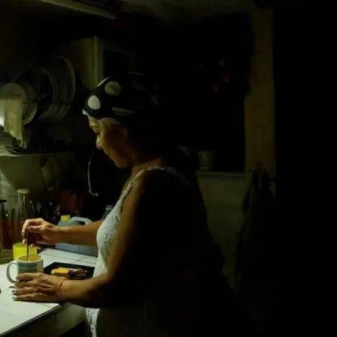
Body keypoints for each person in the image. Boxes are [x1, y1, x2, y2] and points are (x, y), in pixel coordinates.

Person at [16, 73, 251, 337]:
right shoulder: (149, 169)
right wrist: (57, 233)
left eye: (98, 131)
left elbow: (117, 287)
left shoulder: (155, 183)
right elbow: (120, 229)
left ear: (123, 128)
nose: (98, 143)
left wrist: (56, 287)